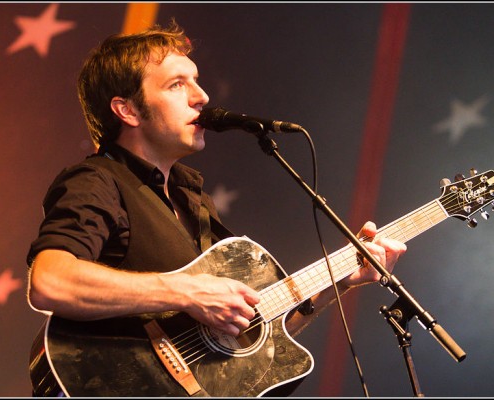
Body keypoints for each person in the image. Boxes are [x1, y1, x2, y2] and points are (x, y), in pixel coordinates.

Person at [26, 19, 407, 397]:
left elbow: (243, 330)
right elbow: (50, 282)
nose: (202, 95)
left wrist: (334, 284)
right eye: (178, 84)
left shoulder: (193, 200)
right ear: (127, 111)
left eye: (196, 80)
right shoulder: (97, 180)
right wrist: (186, 292)